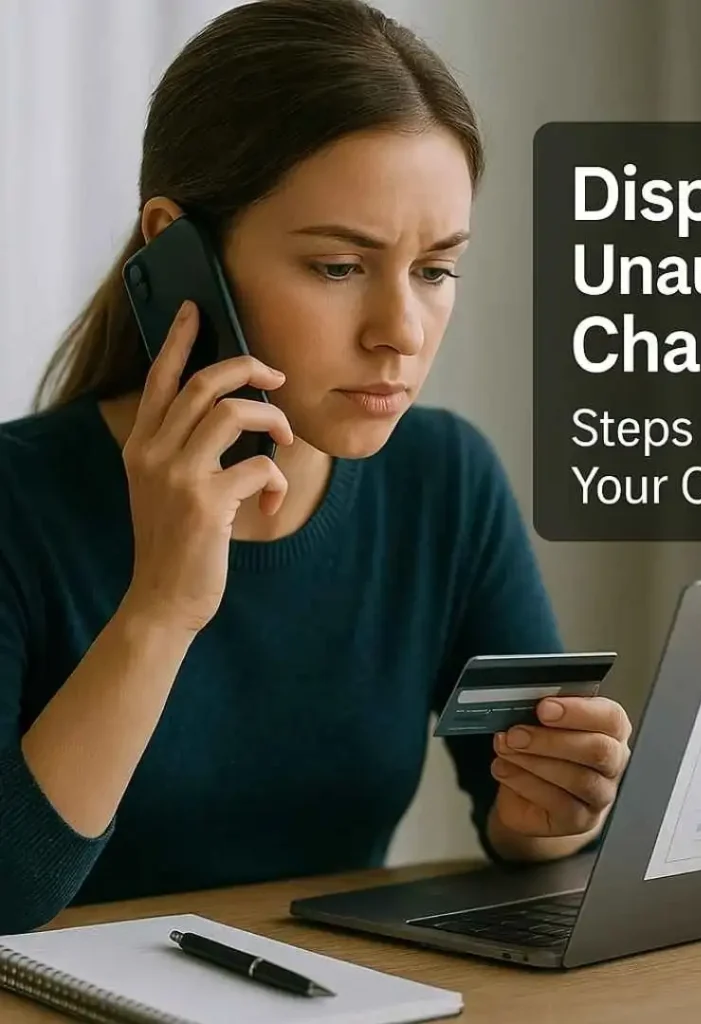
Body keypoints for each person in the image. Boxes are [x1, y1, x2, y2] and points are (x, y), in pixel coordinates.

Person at [0, 0, 633, 934]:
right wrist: (164, 606)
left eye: (436, 270)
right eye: (339, 266)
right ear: (176, 248)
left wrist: (554, 812)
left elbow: (518, 821)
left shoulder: (444, 480)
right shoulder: (20, 504)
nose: (400, 333)